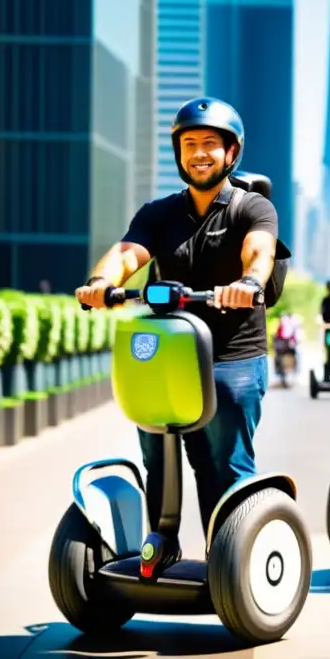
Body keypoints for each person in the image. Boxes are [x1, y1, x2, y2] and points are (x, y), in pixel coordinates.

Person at [75, 96, 278, 561]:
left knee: (224, 465)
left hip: (233, 356)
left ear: (231, 153)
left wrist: (248, 283)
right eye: (190, 144)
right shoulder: (159, 213)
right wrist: (101, 283)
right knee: (158, 457)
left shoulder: (253, 209)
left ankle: (229, 558)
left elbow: (259, 251)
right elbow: (129, 253)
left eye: (210, 144)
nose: (199, 153)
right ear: (179, 152)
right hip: (170, 357)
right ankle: (162, 545)